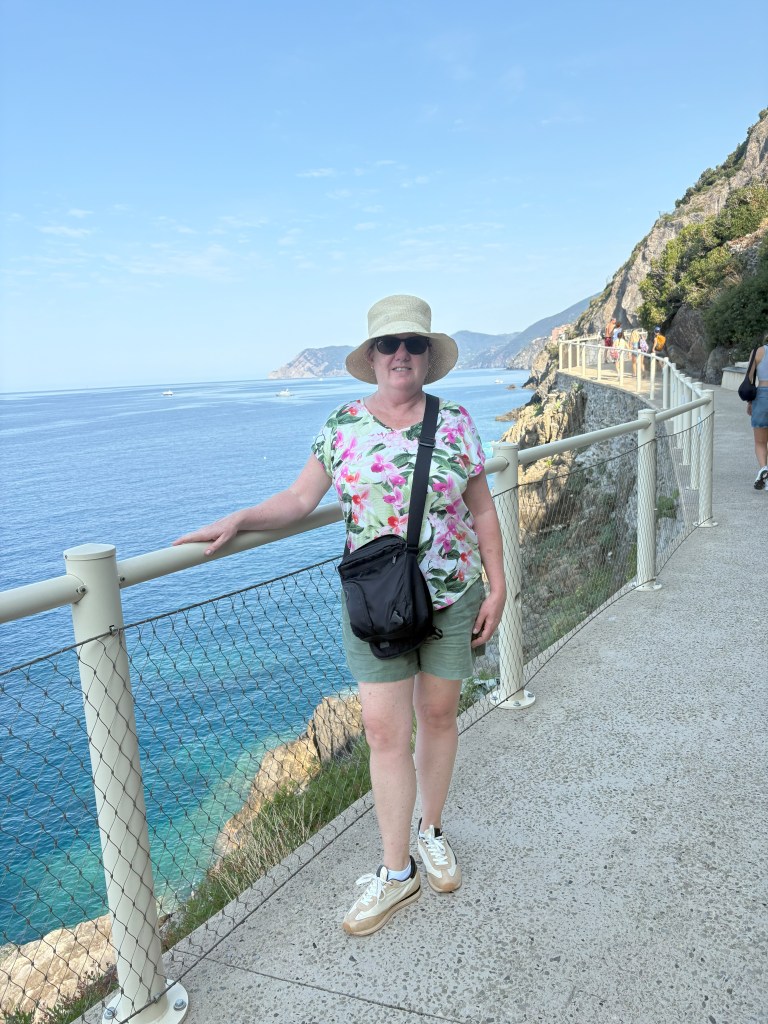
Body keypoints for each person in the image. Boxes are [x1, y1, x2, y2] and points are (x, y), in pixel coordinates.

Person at [173, 294, 506, 936]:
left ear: (427, 355)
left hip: (452, 593)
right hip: (378, 606)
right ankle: (395, 872)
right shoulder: (341, 426)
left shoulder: (457, 422)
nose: (401, 354)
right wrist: (241, 517)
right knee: (385, 732)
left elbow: (483, 509)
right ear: (373, 357)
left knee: (438, 715)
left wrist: (497, 587)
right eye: (389, 345)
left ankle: (431, 830)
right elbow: (301, 499)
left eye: (412, 344)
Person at [745, 331, 768, 490]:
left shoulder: (757, 352)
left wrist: (749, 402)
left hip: (761, 397)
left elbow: (750, 379)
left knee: (760, 442)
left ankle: (764, 470)